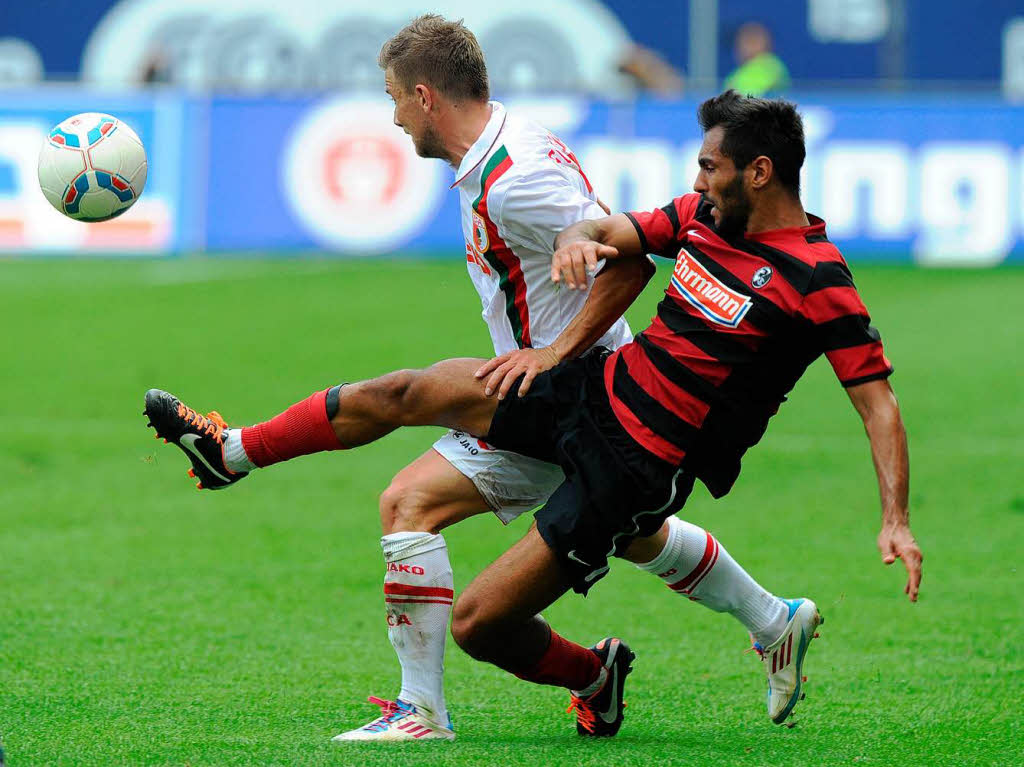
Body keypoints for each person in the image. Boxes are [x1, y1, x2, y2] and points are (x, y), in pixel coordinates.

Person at [144, 90, 921, 740]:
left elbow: (878, 405)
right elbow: (613, 231)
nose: (698, 178)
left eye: (710, 166)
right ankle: (233, 452)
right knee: (413, 389)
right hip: (593, 388)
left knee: (480, 624)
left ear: (761, 172)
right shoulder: (701, 215)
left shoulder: (817, 278)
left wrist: (895, 517)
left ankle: (602, 672)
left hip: (638, 467)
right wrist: (580, 242)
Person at [723, 22, 790, 96]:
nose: (745, 48)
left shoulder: (771, 66)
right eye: (741, 43)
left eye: (752, 42)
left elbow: (749, 95)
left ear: (766, 44)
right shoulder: (736, 74)